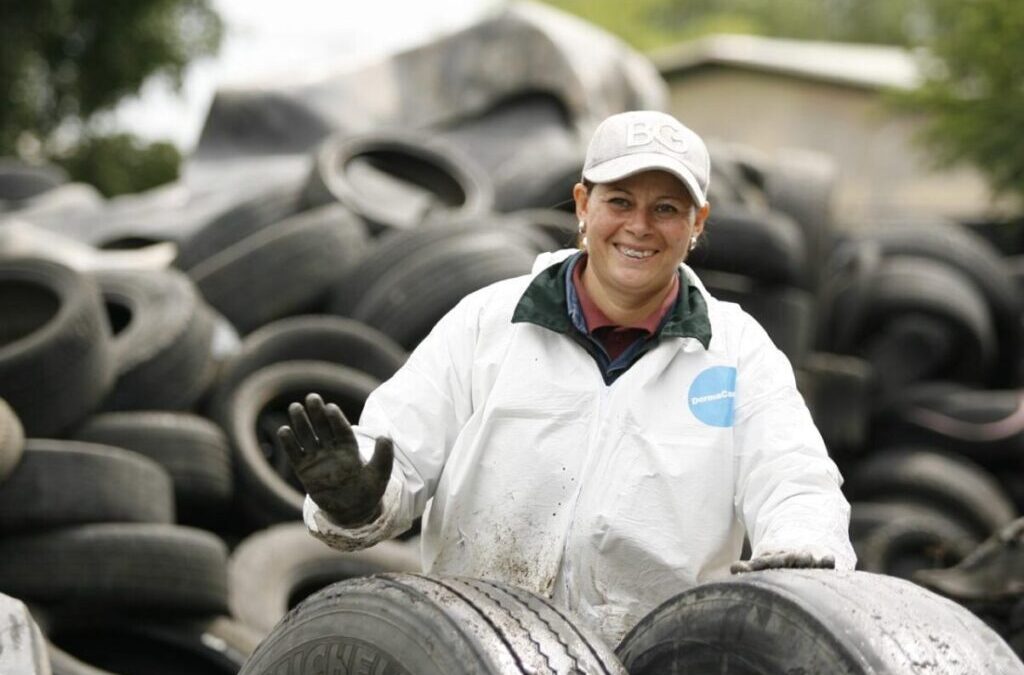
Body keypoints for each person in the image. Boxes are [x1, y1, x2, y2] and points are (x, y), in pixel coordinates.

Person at [278, 110, 857, 646]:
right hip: (480, 651)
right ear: (583, 204)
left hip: (652, 657)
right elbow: (395, 456)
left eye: (666, 209)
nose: (639, 227)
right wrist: (354, 502)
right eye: (620, 201)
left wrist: (800, 550)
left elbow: (793, 480)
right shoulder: (488, 322)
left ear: (697, 223)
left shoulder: (737, 351)